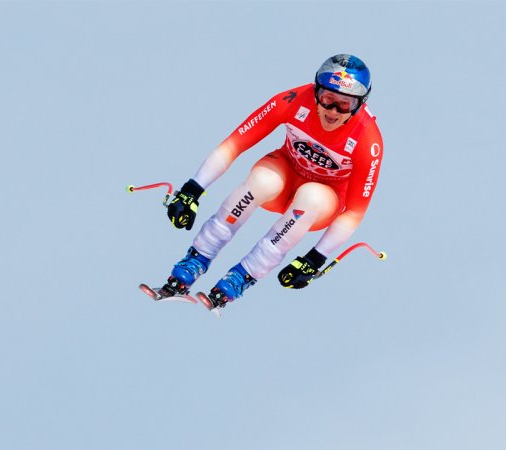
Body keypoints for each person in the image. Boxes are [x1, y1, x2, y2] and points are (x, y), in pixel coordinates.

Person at [159, 54, 384, 309]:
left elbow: (355, 211)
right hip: (284, 176)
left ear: (360, 104)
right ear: (316, 91)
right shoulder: (293, 100)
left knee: (312, 196)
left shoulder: (368, 139)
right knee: (263, 180)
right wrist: (192, 190)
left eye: (344, 104)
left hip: (322, 201)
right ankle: (196, 259)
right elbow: (234, 144)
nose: (332, 111)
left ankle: (242, 277)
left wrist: (315, 258)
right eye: (328, 99)